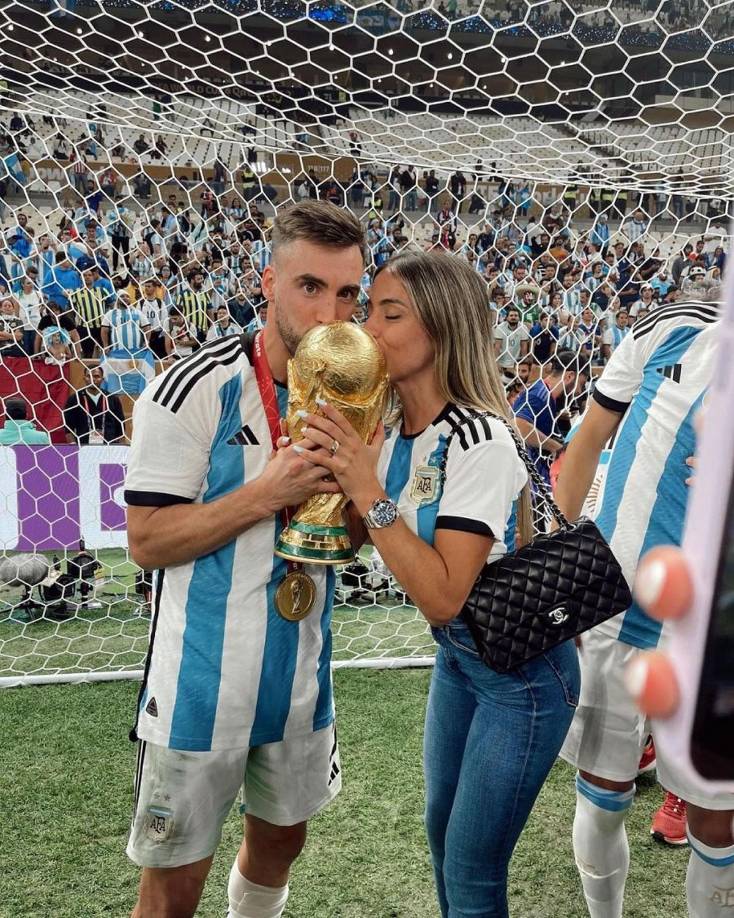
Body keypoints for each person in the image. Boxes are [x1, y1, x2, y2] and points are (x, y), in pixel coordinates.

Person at [292, 250, 580, 918]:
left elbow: (444, 595)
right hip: (460, 658)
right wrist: (330, 473)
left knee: (473, 869)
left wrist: (367, 488)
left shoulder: (479, 436)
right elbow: (359, 539)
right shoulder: (393, 428)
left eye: (389, 315)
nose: (367, 328)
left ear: (442, 328)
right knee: (442, 838)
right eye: (370, 310)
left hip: (523, 678)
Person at [122, 201, 365, 918]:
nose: (329, 314)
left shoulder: (353, 392)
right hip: (200, 688)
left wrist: (360, 490)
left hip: (300, 680)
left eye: (346, 293)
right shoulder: (194, 387)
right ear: (268, 282)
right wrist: (265, 494)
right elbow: (146, 541)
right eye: (310, 287)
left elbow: (347, 542)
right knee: (173, 887)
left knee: (283, 841)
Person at [554, 298, 722, 918]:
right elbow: (587, 440)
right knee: (602, 796)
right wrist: (560, 569)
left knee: (719, 818)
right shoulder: (670, 328)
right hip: (614, 606)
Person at [512, 350, 582, 486]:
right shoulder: (540, 394)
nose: (579, 391)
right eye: (581, 384)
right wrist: (555, 447)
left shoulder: (548, 396)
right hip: (525, 476)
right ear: (569, 376)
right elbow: (519, 425)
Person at [63, 365, 126, 445]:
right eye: (89, 376)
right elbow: (68, 428)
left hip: (109, 447)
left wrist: (121, 448)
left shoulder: (112, 399)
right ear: (84, 378)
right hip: (83, 447)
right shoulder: (74, 399)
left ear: (102, 379)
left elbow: (121, 428)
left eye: (96, 376)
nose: (92, 379)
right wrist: (73, 446)